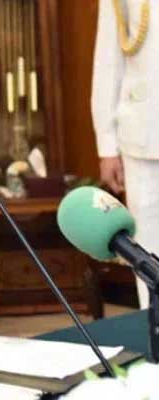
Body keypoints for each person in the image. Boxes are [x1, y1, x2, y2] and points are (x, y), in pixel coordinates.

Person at [91, 0, 157, 309]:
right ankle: (154, 326)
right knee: (148, 248)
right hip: (144, 135)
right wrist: (107, 146)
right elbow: (108, 62)